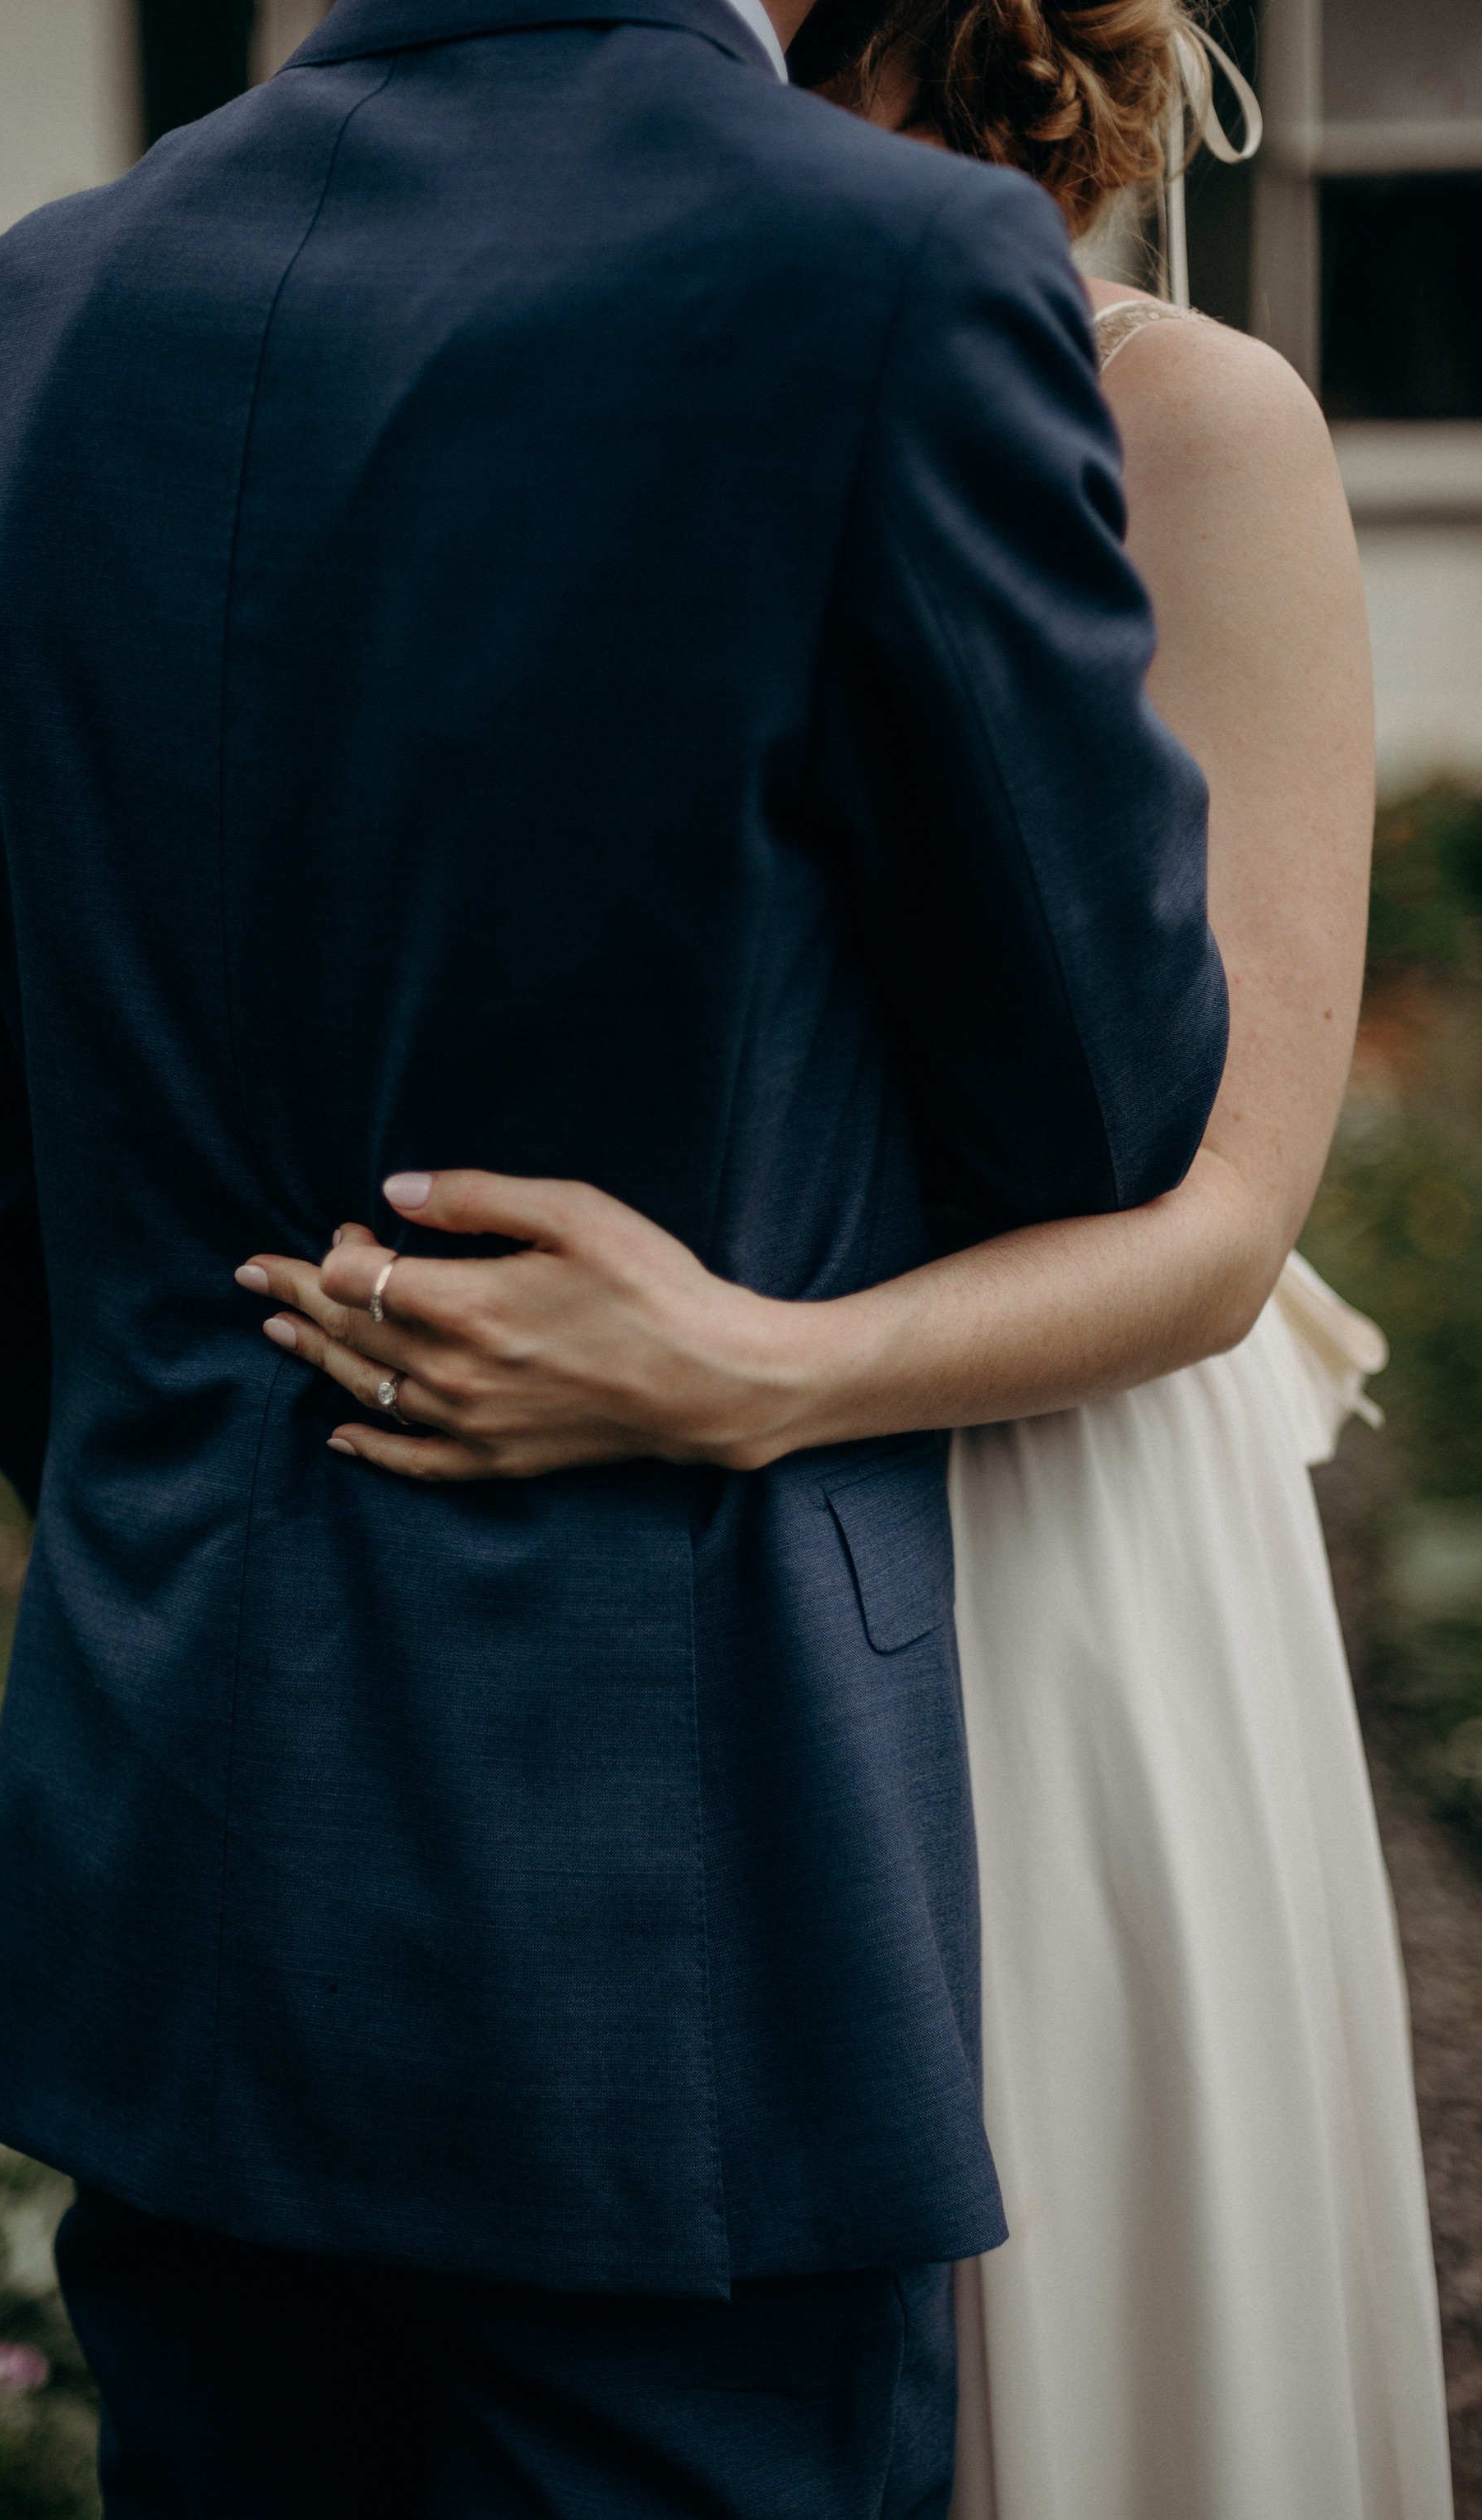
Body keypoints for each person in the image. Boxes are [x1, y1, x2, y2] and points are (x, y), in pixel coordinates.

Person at [0, 0, 1229, 2506]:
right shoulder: (888, 273)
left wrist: (214, 1471)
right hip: (667, 1937)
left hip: (181, 1898)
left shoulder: (31, 304)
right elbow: (1105, 1104)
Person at [233, 7, 1455, 2518]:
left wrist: (749, 1367)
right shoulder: (572, 374)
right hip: (617, 1529)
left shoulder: (1194, 422)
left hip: (1025, 1513)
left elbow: (1224, 1218)